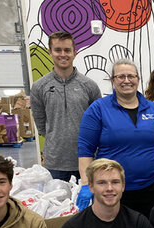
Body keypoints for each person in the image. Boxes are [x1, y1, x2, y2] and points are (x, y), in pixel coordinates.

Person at [77, 59, 154, 216]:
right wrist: (85, 184)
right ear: (112, 80)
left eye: (131, 76)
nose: (126, 81)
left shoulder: (153, 108)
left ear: (138, 79)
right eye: (120, 76)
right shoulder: (97, 109)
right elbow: (85, 150)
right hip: (113, 193)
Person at [31, 31, 102, 182]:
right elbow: (41, 124)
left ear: (75, 53)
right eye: (58, 50)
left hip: (87, 160)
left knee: (87, 205)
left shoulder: (89, 86)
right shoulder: (39, 87)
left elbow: (99, 123)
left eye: (67, 50)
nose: (63, 54)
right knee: (58, 205)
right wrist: (56, 137)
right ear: (50, 52)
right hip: (55, 163)